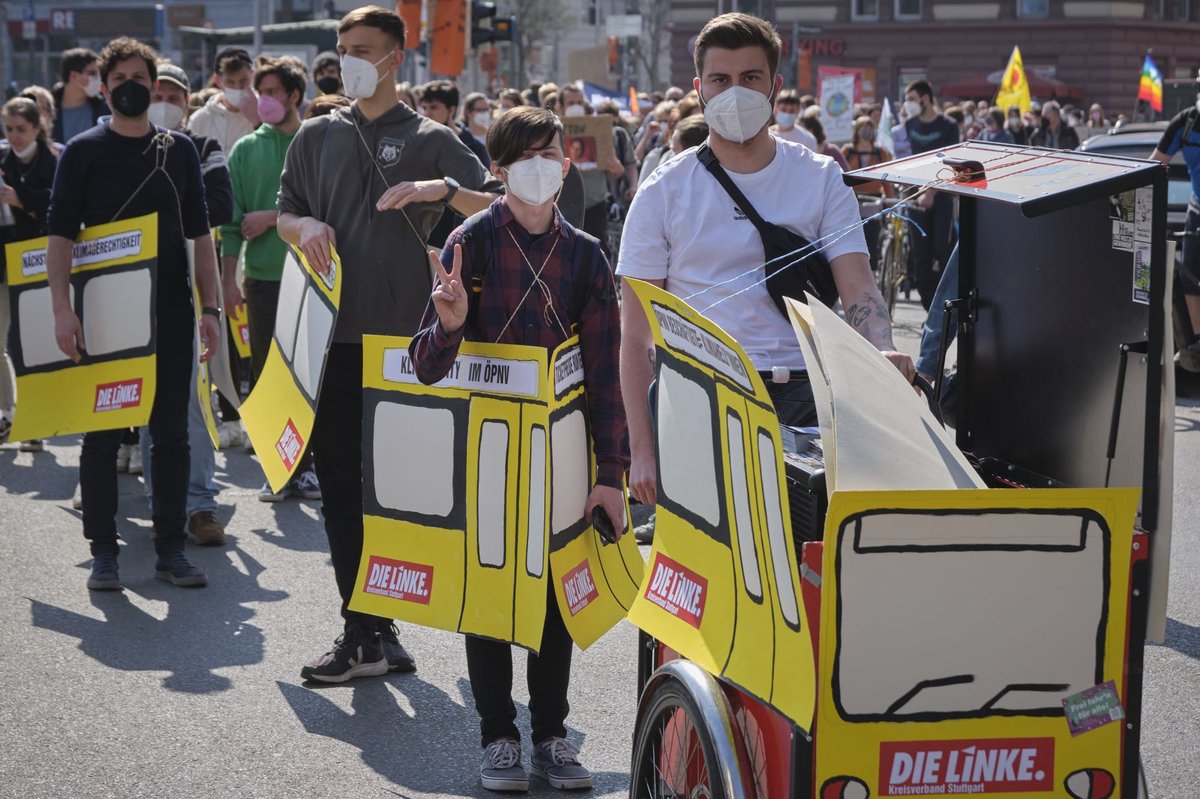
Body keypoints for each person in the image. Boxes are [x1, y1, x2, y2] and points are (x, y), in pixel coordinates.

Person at [276, 5, 503, 683]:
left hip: (412, 348)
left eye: (362, 48)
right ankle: (362, 629)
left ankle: (382, 624)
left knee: (401, 493)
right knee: (343, 490)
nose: (348, 58)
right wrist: (303, 225)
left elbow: (496, 207)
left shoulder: (434, 136)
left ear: (394, 58)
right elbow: (284, 212)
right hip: (332, 342)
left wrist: (443, 188)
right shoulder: (316, 134)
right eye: (342, 46)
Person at [409, 105, 623, 794]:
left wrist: (610, 472)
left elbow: (607, 372)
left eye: (551, 153)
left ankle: (552, 732)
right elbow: (423, 364)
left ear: (566, 161)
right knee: (490, 590)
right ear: (496, 169)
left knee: (558, 596)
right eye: (526, 156)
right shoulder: (468, 242)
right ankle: (498, 734)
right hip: (488, 452)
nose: (542, 167)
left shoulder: (587, 254)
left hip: (563, 455)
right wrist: (449, 326)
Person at [618, 12, 914, 510]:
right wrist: (642, 449)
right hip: (700, 396)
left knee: (804, 557)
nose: (736, 91)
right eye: (721, 79)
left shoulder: (821, 177)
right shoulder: (662, 192)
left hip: (807, 396)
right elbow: (635, 333)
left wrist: (883, 349)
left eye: (750, 78)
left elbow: (859, 286)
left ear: (775, 86)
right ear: (700, 89)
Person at [47, 37, 221, 590]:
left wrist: (211, 308)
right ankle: (104, 553)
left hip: (169, 313)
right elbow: (59, 239)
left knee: (170, 434)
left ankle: (170, 549)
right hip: (102, 316)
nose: (130, 86)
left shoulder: (180, 151)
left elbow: (201, 238)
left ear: (154, 84)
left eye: (140, 78)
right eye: (119, 77)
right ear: (102, 87)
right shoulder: (82, 151)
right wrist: (61, 312)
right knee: (102, 436)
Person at [135, 62, 234, 545]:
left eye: (174, 95)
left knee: (192, 401)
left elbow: (219, 204)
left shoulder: (203, 148)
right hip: (128, 288)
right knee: (143, 398)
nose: (164, 102)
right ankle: (161, 501)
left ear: (188, 102)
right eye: (156, 92)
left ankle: (199, 504)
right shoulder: (117, 144)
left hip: (188, 286)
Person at [221, 55, 321, 503]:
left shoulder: (316, 142)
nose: (263, 101)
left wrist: (274, 217)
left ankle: (309, 465)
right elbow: (229, 225)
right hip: (261, 278)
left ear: (295, 95)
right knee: (266, 376)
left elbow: (331, 210)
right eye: (259, 93)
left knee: (311, 376)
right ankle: (276, 468)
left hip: (315, 277)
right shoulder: (245, 149)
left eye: (272, 93)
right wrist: (227, 281)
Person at [0, 97, 58, 445]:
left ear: (38, 127)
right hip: (3, 260)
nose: (14, 136)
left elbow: (57, 205)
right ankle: (7, 412)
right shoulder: (3, 159)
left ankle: (36, 418)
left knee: (34, 343)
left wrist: (19, 199)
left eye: (21, 129)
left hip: (37, 259)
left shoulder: (53, 161)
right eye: (8, 129)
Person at [1152, 72, 1200, 371]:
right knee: (1189, 278)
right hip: (1197, 209)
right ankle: (1196, 343)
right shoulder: (1185, 123)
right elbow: (1153, 165)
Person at [558, 83, 637, 258]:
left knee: (595, 255)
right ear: (561, 106)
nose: (576, 106)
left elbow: (619, 171)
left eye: (579, 101)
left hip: (595, 204)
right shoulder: (552, 133)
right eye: (571, 103)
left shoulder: (601, 131)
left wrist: (617, 169)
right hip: (562, 204)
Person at [903, 79, 959, 309]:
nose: (909, 104)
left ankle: (944, 307)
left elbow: (949, 164)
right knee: (920, 257)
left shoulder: (948, 125)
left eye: (913, 99)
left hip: (940, 197)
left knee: (941, 251)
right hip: (916, 198)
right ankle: (930, 309)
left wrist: (931, 193)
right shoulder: (910, 125)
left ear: (926, 99)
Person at [188, 47, 260, 158]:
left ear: (253, 76)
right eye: (230, 82)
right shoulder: (200, 120)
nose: (238, 87)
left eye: (244, 81)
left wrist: (258, 122)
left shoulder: (268, 114)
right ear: (218, 81)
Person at [53, 48, 108, 144]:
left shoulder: (104, 109)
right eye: (92, 73)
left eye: (99, 73)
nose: (98, 79)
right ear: (74, 76)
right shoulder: (48, 109)